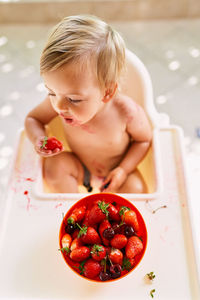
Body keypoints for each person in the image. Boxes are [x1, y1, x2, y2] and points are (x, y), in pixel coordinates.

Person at [25, 14, 152, 193]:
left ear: (107, 92)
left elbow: (144, 140)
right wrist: (39, 138)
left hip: (116, 173)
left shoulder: (126, 112)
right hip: (80, 169)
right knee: (55, 166)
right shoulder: (58, 102)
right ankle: (71, 208)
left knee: (136, 188)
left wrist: (123, 170)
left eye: (73, 99)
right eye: (51, 92)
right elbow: (33, 119)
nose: (59, 106)